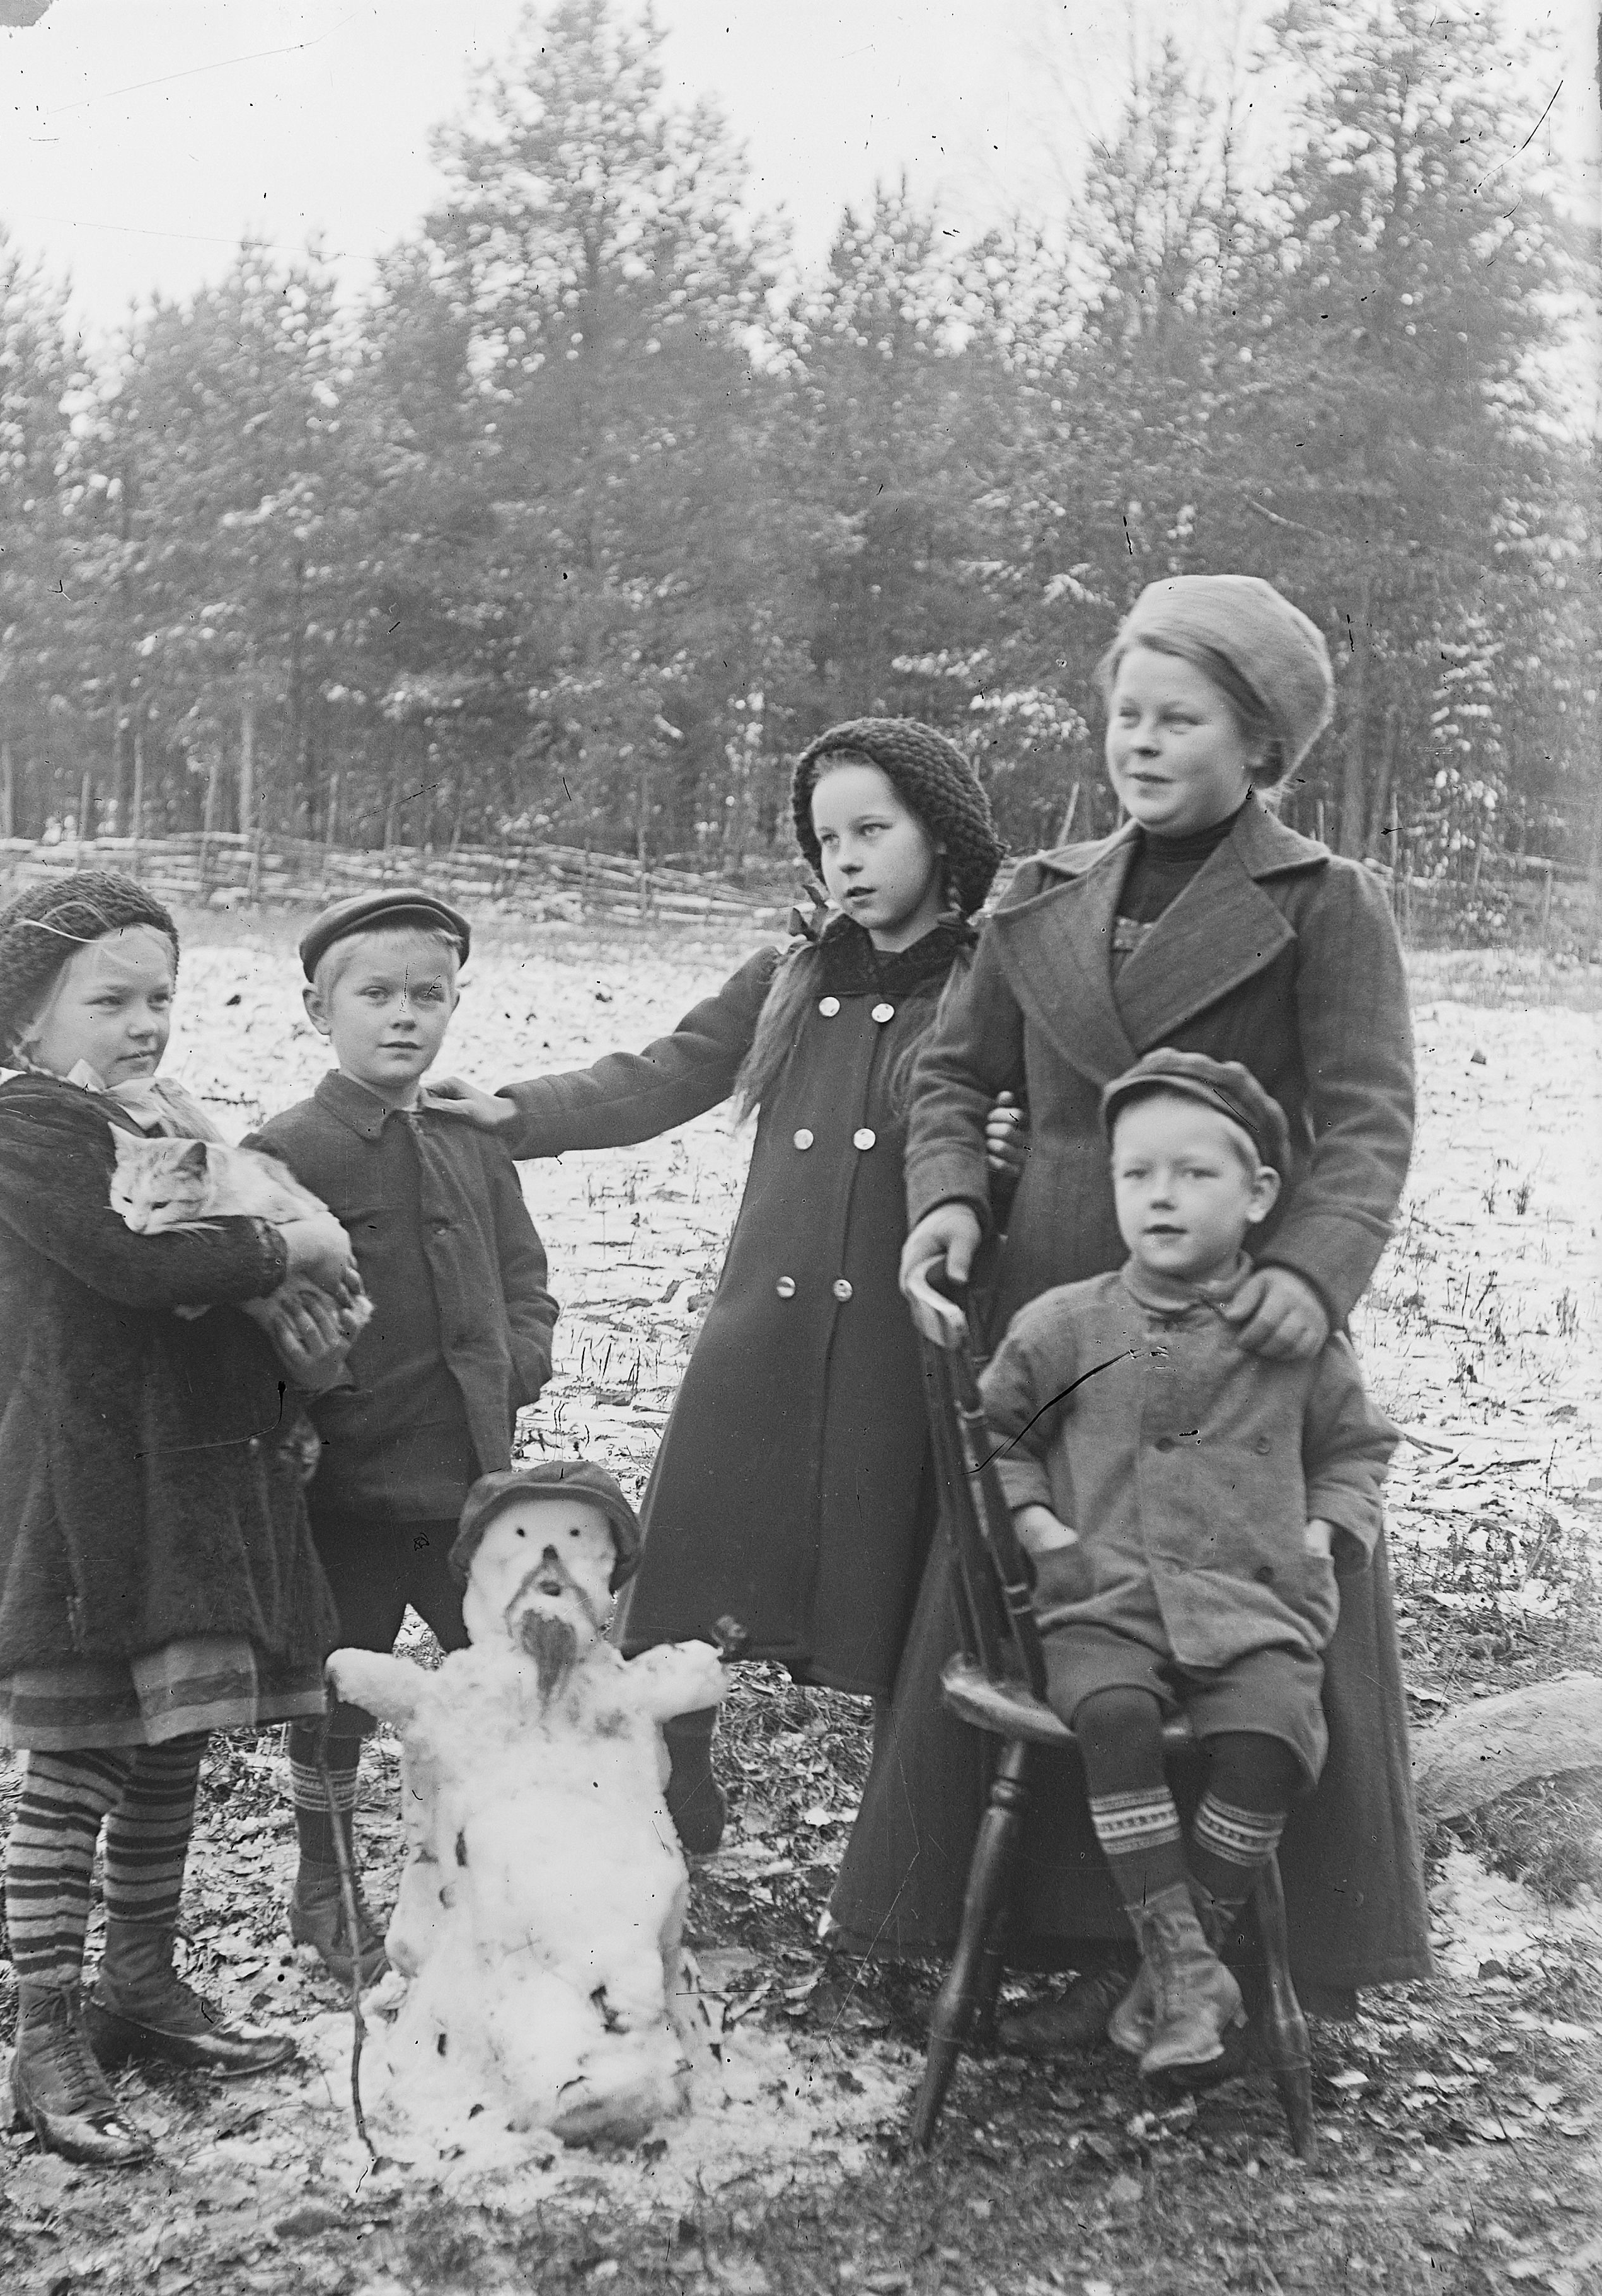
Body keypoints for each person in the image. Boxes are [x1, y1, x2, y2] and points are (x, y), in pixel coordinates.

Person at [831, 573, 1431, 2048]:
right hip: (1059, 1302)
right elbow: (958, 1078)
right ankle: (1041, 1929)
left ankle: (1254, 1952)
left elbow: (1365, 1121)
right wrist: (952, 1199)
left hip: (1244, 1322)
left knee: (1247, 1623)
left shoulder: (1323, 903)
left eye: (1182, 719)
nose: (1142, 744)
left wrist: (1311, 1270)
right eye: (1126, 715)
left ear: (1263, 743)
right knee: (1065, 1600)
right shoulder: (1039, 892)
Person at [432, 719, 1013, 1852]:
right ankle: (674, 1773)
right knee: (694, 1557)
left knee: (901, 1573)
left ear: (941, 839)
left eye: (872, 831)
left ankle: (905, 1840)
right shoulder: (791, 973)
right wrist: (520, 1114)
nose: (844, 859)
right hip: (766, 1324)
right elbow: (669, 1071)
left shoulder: (987, 983)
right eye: (825, 837)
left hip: (904, 1337)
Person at [0, 875, 358, 2167]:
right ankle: (44, 2027)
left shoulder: (164, 1123)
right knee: (80, 1754)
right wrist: (277, 1249)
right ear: (29, 1017)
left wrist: (288, 1379)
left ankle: (138, 1980)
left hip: (182, 1481)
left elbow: (223, 1274)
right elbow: (137, 1263)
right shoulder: (25, 1127)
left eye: (161, 997)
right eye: (111, 998)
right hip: (80, 1490)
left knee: (172, 1742)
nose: (145, 1023)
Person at [983, 1051, 1397, 2072]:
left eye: (1194, 1174)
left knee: (1267, 1740)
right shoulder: (1070, 1324)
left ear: (1258, 1194)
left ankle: (1181, 1968)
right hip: (1107, 1600)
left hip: (1255, 1602)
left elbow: (1355, 1451)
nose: (1161, 1196)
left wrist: (1319, 1538)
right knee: (1113, 1714)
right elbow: (1000, 1434)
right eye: (1137, 1175)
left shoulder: (1293, 1336)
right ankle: (1183, 1962)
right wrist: (1042, 1530)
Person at [251, 889, 559, 1983]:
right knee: (341, 1693)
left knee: (502, 1683)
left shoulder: (471, 1140)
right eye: (374, 995)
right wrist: (320, 1410)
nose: (404, 1018)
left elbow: (525, 1275)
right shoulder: (287, 1148)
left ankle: (496, 1876)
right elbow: (266, 1316)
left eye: (428, 996)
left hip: (471, 1486)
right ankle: (325, 1885)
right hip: (352, 1492)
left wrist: (519, 1359)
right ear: (316, 1008)